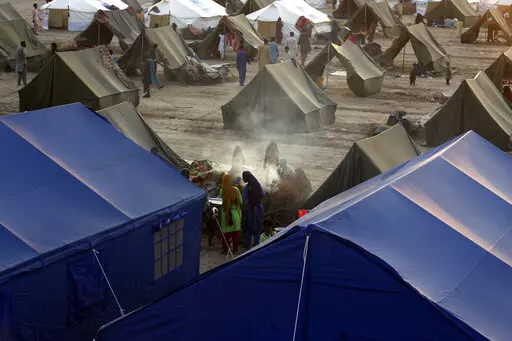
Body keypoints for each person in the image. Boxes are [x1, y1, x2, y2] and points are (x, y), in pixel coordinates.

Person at [219, 173, 242, 253]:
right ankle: (235, 249)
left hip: (226, 215)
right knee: (235, 234)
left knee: (225, 234)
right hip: (235, 214)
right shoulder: (236, 190)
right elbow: (240, 201)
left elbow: (221, 202)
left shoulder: (222, 190)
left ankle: (225, 249)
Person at [242, 171, 264, 249]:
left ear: (246, 178)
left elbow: (244, 200)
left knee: (249, 227)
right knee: (257, 227)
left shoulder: (246, 188)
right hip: (259, 209)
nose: (242, 178)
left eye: (243, 177)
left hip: (251, 210)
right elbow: (262, 195)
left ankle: (247, 245)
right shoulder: (258, 185)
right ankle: (256, 245)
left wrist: (245, 208)